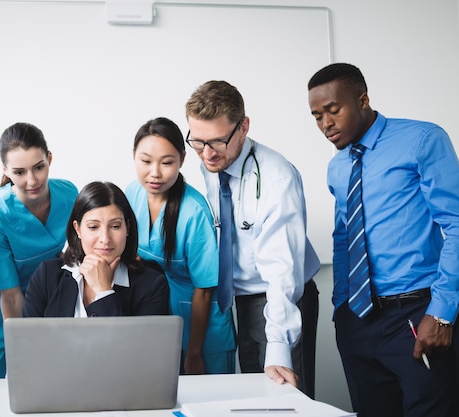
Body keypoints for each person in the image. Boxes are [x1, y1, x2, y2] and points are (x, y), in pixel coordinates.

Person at [308, 62, 459, 416]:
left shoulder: (422, 140)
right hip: (358, 320)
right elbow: (344, 237)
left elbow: (455, 223)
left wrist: (441, 314)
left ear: (363, 100)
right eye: (316, 116)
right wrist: (342, 308)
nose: (325, 124)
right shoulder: (338, 166)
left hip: (417, 315)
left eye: (333, 110)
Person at [185, 80, 321, 396]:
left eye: (217, 141)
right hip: (241, 299)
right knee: (255, 399)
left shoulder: (277, 178)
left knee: (287, 400)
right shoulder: (212, 160)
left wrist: (278, 344)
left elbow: (282, 272)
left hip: (283, 295)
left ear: (243, 127)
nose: (206, 153)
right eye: (197, 141)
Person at [125, 117, 236, 374]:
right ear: (134, 157)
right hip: (159, 323)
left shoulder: (193, 211)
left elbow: (205, 290)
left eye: (166, 162)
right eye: (145, 161)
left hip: (203, 332)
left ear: (182, 160)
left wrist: (195, 353)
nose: (155, 172)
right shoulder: (132, 193)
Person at [0, 122, 78, 378]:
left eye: (39, 167)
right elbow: (10, 297)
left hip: (42, 305)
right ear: (6, 171)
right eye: (19, 172)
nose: (32, 181)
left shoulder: (69, 194)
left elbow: (73, 254)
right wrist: (22, 349)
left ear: (49, 159)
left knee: (44, 385)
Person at [23, 181, 170, 318]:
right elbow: (27, 340)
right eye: (93, 227)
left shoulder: (152, 285)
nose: (105, 239)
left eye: (115, 226)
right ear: (78, 229)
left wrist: (104, 291)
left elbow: (132, 345)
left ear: (127, 228)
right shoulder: (47, 275)